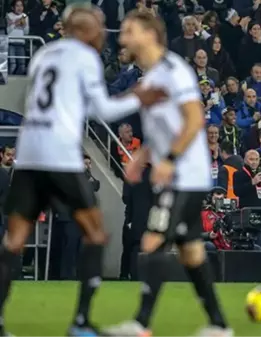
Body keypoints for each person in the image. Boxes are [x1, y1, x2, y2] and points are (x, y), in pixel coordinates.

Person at [0, 5, 166, 337]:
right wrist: (139, 97)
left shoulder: (44, 56)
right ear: (86, 30)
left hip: (29, 153)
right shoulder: (84, 57)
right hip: (59, 154)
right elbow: (101, 108)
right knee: (96, 235)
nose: (104, 32)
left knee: (13, 241)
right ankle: (81, 323)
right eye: (100, 26)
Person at [102, 10, 231, 337]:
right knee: (190, 251)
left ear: (148, 33)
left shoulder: (174, 71)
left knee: (152, 241)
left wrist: (170, 159)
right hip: (178, 173)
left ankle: (141, 323)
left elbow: (193, 120)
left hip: (184, 175)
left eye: (129, 31)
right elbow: (162, 128)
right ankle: (218, 324)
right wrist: (141, 156)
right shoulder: (153, 76)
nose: (123, 37)